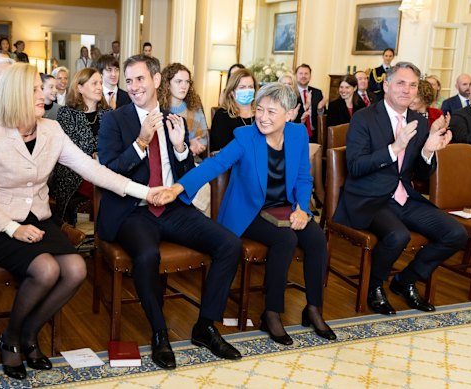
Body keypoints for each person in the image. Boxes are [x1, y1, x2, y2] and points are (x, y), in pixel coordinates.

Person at [0, 62, 164, 380]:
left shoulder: (51, 130)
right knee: (46, 269)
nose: (45, 93)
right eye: (34, 90)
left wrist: (147, 191)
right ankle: (11, 339)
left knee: (75, 269)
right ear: (16, 95)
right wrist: (13, 228)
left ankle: (30, 332)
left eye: (41, 88)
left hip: (40, 220)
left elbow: (93, 170)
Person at [158, 83, 336, 344]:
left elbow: (302, 177)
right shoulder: (245, 136)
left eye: (271, 112)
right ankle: (271, 313)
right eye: (260, 109)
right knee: (285, 239)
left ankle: (313, 309)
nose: (263, 117)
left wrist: (302, 208)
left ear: (289, 114)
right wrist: (179, 187)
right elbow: (215, 164)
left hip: (285, 208)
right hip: (250, 212)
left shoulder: (298, 135)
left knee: (317, 239)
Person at [97, 55, 242, 370]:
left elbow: (185, 171)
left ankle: (205, 326)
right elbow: (107, 172)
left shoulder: (171, 118)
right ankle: (160, 333)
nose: (134, 87)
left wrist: (180, 147)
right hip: (132, 211)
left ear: (156, 80)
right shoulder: (114, 120)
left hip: (173, 207)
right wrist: (140, 142)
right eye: (129, 80)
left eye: (140, 79)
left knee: (230, 245)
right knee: (148, 256)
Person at [333, 62, 468, 316]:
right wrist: (394, 148)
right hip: (369, 196)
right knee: (398, 236)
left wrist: (428, 150)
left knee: (456, 233)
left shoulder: (418, 120)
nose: (407, 90)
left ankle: (405, 280)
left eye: (413, 85)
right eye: (401, 83)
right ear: (386, 85)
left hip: (403, 196)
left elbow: (421, 174)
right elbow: (355, 166)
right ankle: (374, 287)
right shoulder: (364, 118)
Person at [52, 68, 108, 224]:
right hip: (74, 174)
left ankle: (104, 236)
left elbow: (114, 145)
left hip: (103, 169)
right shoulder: (67, 114)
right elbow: (73, 149)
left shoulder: (108, 113)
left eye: (101, 83)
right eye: (94, 83)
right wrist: (96, 153)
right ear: (79, 87)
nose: (100, 87)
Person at [279, 72, 324, 207]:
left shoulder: (296, 102)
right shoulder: (273, 101)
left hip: (292, 139)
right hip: (280, 142)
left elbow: (297, 130)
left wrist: (302, 120)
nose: (286, 87)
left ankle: (317, 191)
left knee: (317, 148)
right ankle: (310, 196)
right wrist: (289, 120)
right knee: (308, 156)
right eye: (284, 84)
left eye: (290, 84)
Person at [158, 63, 208, 158]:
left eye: (187, 82)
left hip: (192, 161)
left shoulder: (194, 107)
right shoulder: (157, 109)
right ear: (167, 84)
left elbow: (203, 139)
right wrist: (188, 143)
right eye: (178, 81)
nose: (184, 86)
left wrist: (197, 146)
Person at [211, 68, 257, 152]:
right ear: (232, 92)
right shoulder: (222, 115)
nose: (247, 91)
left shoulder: (261, 114)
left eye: (250, 87)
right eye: (242, 87)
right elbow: (221, 148)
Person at [295, 64, 327, 143]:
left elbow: (323, 115)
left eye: (306, 73)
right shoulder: (292, 93)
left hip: (314, 134)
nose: (303, 76)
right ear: (296, 75)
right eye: (301, 73)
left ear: (310, 76)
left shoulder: (317, 92)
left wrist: (320, 110)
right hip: (297, 132)